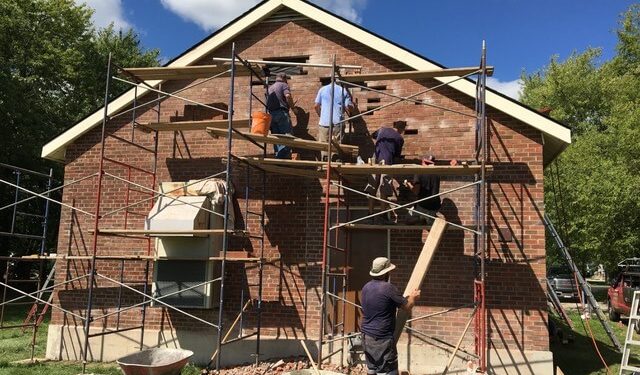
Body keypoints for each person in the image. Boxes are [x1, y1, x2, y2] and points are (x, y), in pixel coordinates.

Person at [361, 257, 420, 375]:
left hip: (366, 336)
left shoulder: (366, 287)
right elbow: (407, 307)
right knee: (390, 371)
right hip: (382, 339)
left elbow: (383, 303)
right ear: (386, 273)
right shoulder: (388, 288)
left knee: (372, 369)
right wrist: (413, 297)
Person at [364, 121, 406, 224]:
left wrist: (381, 143)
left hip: (375, 160)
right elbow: (396, 156)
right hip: (386, 161)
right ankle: (383, 215)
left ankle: (370, 215)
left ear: (394, 125)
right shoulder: (399, 138)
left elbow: (373, 135)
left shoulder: (382, 130)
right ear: (402, 129)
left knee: (372, 187)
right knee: (384, 187)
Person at [314, 81, 353, 161]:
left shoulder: (322, 89)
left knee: (324, 146)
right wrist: (351, 106)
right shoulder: (343, 90)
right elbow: (348, 107)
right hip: (337, 123)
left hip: (324, 122)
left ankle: (325, 166)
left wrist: (321, 115)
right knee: (337, 146)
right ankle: (335, 166)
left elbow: (316, 106)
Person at [266, 72, 295, 159]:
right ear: (284, 78)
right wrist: (293, 107)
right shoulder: (283, 85)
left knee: (277, 138)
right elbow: (288, 96)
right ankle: (282, 156)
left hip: (271, 115)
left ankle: (278, 157)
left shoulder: (270, 88)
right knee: (288, 136)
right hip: (281, 113)